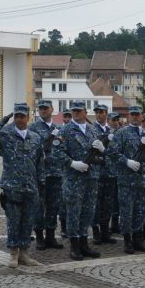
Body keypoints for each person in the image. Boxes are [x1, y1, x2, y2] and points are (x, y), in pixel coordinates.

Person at [0, 102, 44, 267]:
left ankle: (24, 253)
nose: (19, 119)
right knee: (13, 221)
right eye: (16, 116)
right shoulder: (6, 135)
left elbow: (40, 162)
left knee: (28, 220)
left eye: (22, 116)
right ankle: (13, 254)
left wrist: (41, 182)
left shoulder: (36, 137)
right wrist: (3, 121)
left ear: (28, 117)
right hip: (12, 186)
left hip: (31, 186)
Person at [55, 101, 104, 260]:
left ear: (85, 112)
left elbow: (100, 154)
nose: (75, 113)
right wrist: (72, 163)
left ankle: (84, 243)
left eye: (78, 111)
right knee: (74, 212)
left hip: (91, 177)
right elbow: (56, 152)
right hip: (73, 178)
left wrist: (103, 150)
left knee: (88, 212)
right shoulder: (65, 129)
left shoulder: (92, 130)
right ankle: (74, 246)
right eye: (73, 111)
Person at [106, 106, 145, 253]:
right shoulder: (122, 132)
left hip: (143, 179)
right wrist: (126, 161)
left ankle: (138, 239)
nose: (134, 117)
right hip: (127, 180)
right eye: (132, 114)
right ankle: (128, 241)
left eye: (137, 114)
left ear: (142, 116)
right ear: (128, 116)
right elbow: (112, 152)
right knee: (126, 211)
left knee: (141, 210)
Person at [29, 100, 66, 251]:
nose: (43, 111)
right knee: (38, 207)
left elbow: (63, 148)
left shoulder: (59, 128)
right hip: (40, 174)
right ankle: (39, 237)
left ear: (52, 109)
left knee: (54, 205)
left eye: (46, 108)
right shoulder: (33, 128)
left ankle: (50, 236)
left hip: (56, 173)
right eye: (41, 109)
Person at [92, 105, 119, 243]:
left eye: (101, 112)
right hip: (97, 174)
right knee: (96, 204)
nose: (99, 115)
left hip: (110, 173)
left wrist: (106, 152)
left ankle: (105, 231)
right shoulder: (91, 130)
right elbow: (92, 152)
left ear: (106, 114)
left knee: (108, 204)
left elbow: (115, 152)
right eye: (96, 112)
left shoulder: (112, 131)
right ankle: (96, 232)